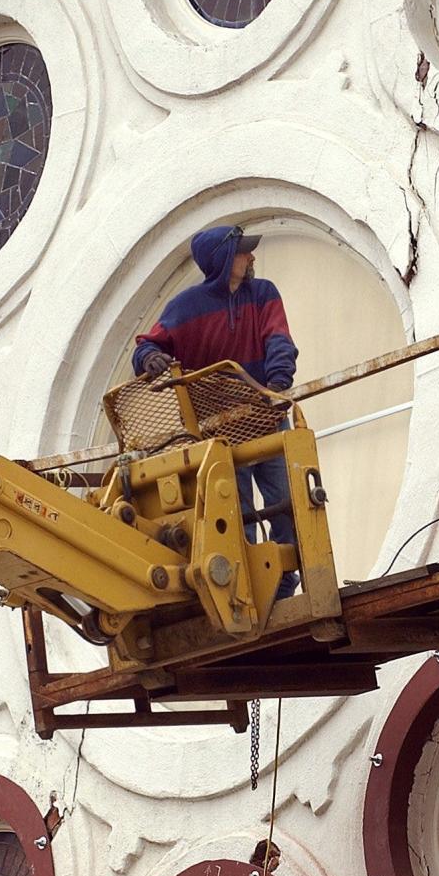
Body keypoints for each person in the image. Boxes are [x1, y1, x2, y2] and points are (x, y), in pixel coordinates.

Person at [132, 224, 300, 598]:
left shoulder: (263, 293)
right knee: (237, 514)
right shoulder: (184, 307)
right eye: (244, 252)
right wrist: (152, 357)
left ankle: (284, 583)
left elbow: (279, 340)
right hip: (219, 432)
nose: (252, 257)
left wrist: (275, 386)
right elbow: (144, 348)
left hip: (265, 416)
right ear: (225, 260)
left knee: (287, 505)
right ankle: (251, 589)